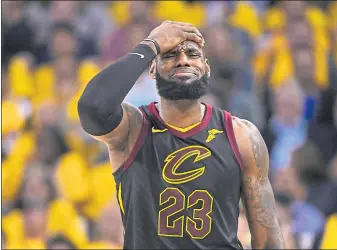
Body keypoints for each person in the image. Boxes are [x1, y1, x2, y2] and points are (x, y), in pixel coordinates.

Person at [78, 20, 284, 249]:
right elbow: (92, 107)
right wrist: (150, 46)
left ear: (206, 67)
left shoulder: (242, 135)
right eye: (169, 55)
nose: (183, 60)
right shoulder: (133, 127)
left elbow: (268, 238)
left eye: (192, 54)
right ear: (152, 68)